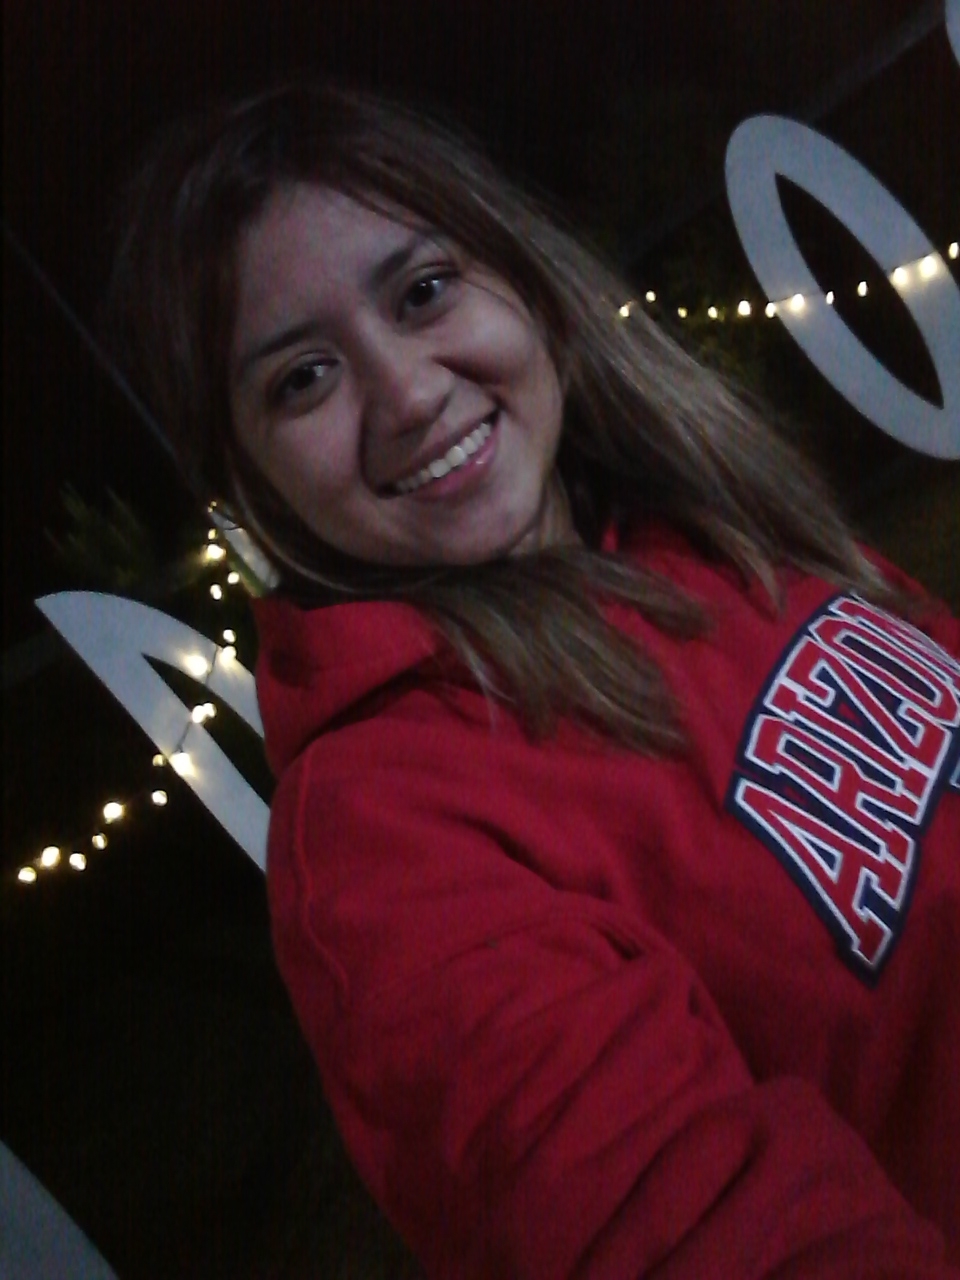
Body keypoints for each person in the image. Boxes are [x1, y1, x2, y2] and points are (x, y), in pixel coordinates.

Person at [107, 81, 960, 1278]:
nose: (409, 394)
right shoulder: (379, 835)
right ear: (252, 482)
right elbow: (698, 1230)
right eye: (302, 379)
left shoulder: (692, 514)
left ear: (519, 273)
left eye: (422, 291)